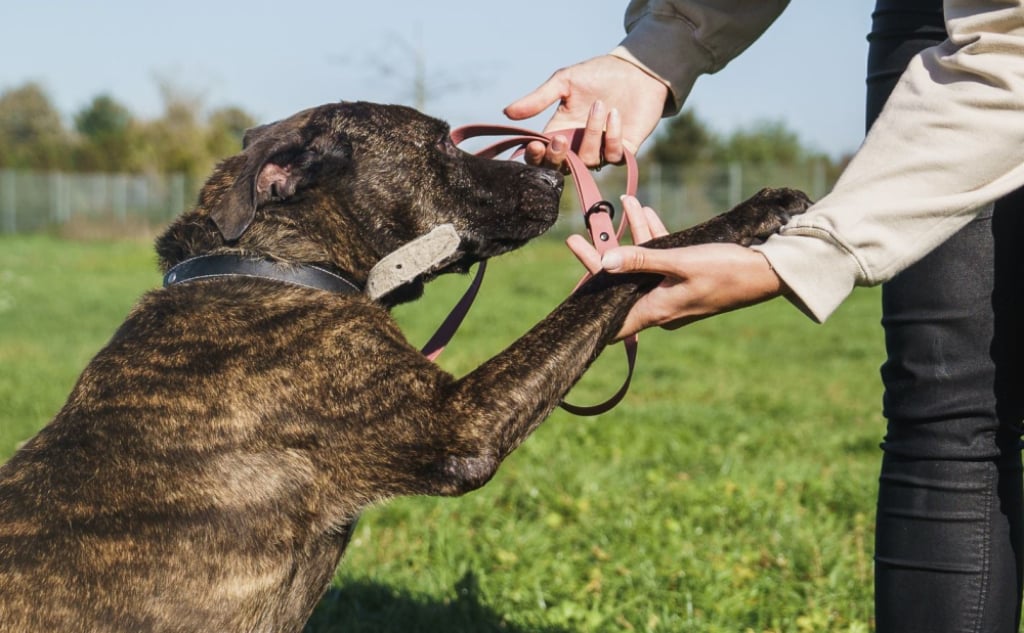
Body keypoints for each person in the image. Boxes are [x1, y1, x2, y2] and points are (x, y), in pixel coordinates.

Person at [504, 1, 1024, 632]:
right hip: (931, 19)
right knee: (946, 407)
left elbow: (1008, 54)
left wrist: (801, 258)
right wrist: (659, 50)